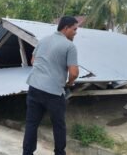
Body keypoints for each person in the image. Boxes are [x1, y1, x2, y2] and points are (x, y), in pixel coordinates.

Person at [23, 16, 79, 155]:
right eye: (74, 29)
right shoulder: (69, 46)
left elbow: (33, 60)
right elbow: (74, 72)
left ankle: (27, 153)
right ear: (66, 28)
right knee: (58, 126)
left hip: (34, 87)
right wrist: (69, 83)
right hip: (53, 92)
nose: (75, 33)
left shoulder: (43, 40)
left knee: (31, 124)